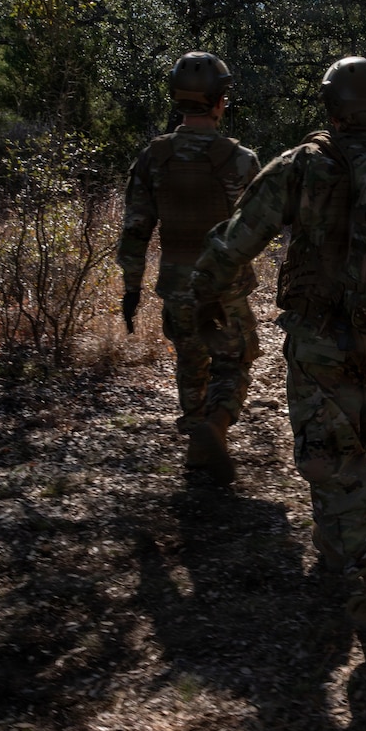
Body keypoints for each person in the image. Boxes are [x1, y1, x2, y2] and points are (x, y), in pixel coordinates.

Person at [190, 57, 366, 633]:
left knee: (332, 463)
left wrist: (203, 291)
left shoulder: (306, 164)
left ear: (332, 108)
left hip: (324, 343)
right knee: (347, 455)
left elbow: (238, 238)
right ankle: (337, 546)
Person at [118, 51, 262, 484]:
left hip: (177, 284)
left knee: (190, 360)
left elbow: (135, 228)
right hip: (226, 288)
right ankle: (214, 425)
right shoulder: (240, 160)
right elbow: (256, 227)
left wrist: (131, 287)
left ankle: (198, 441)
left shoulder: (153, 158)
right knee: (234, 363)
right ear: (219, 102)